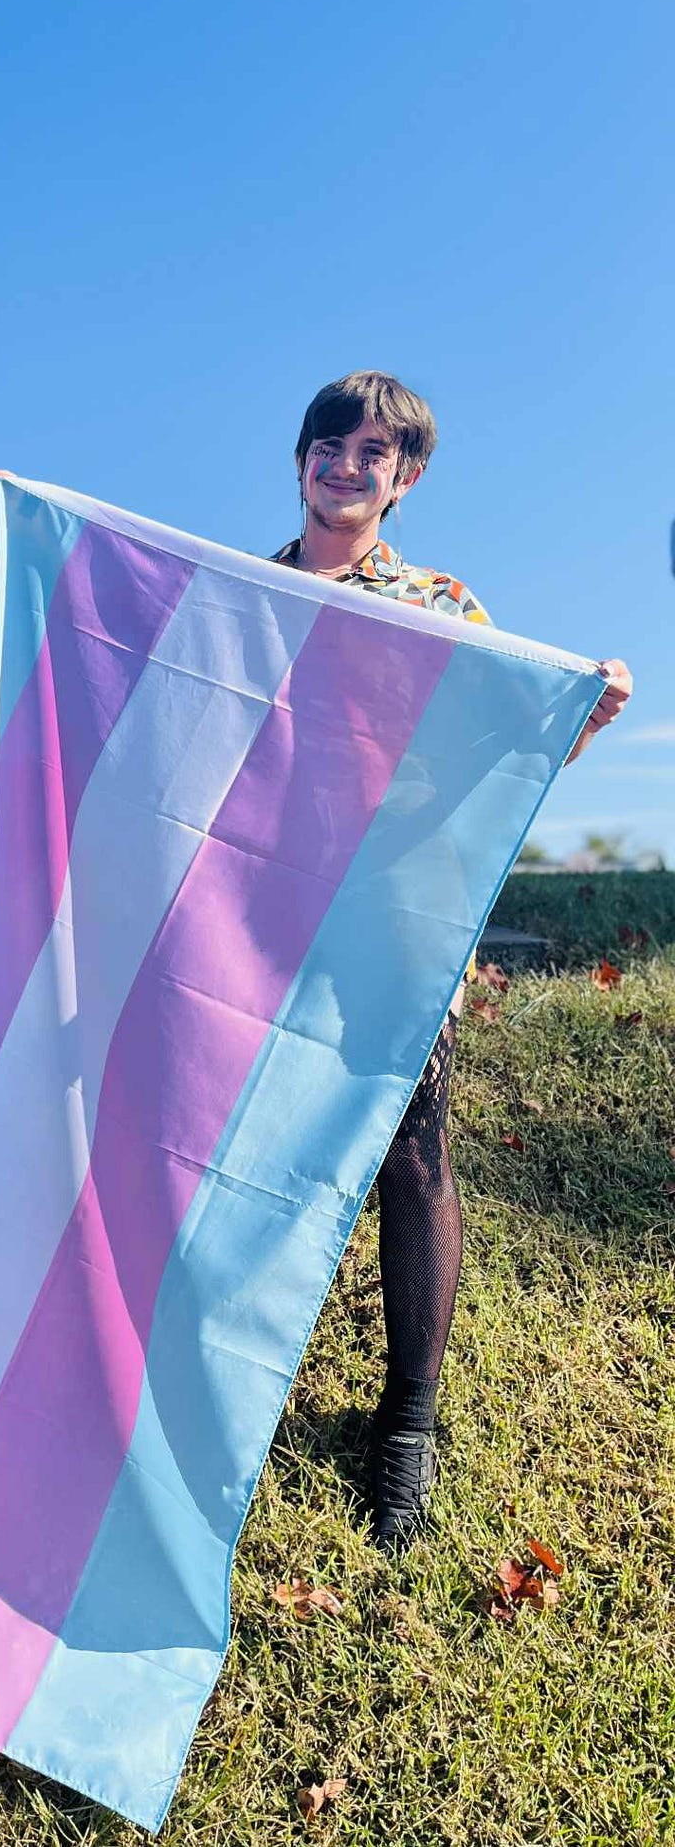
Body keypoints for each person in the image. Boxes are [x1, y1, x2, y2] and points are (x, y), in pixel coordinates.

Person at [275, 372, 631, 1547]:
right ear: (300, 456)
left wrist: (581, 712)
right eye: (329, 443)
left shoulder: (438, 604)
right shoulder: (242, 594)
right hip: (256, 907)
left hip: (396, 915)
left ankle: (407, 1422)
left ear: (406, 478)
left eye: (372, 452)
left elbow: (515, 747)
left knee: (410, 1154)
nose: (345, 464)